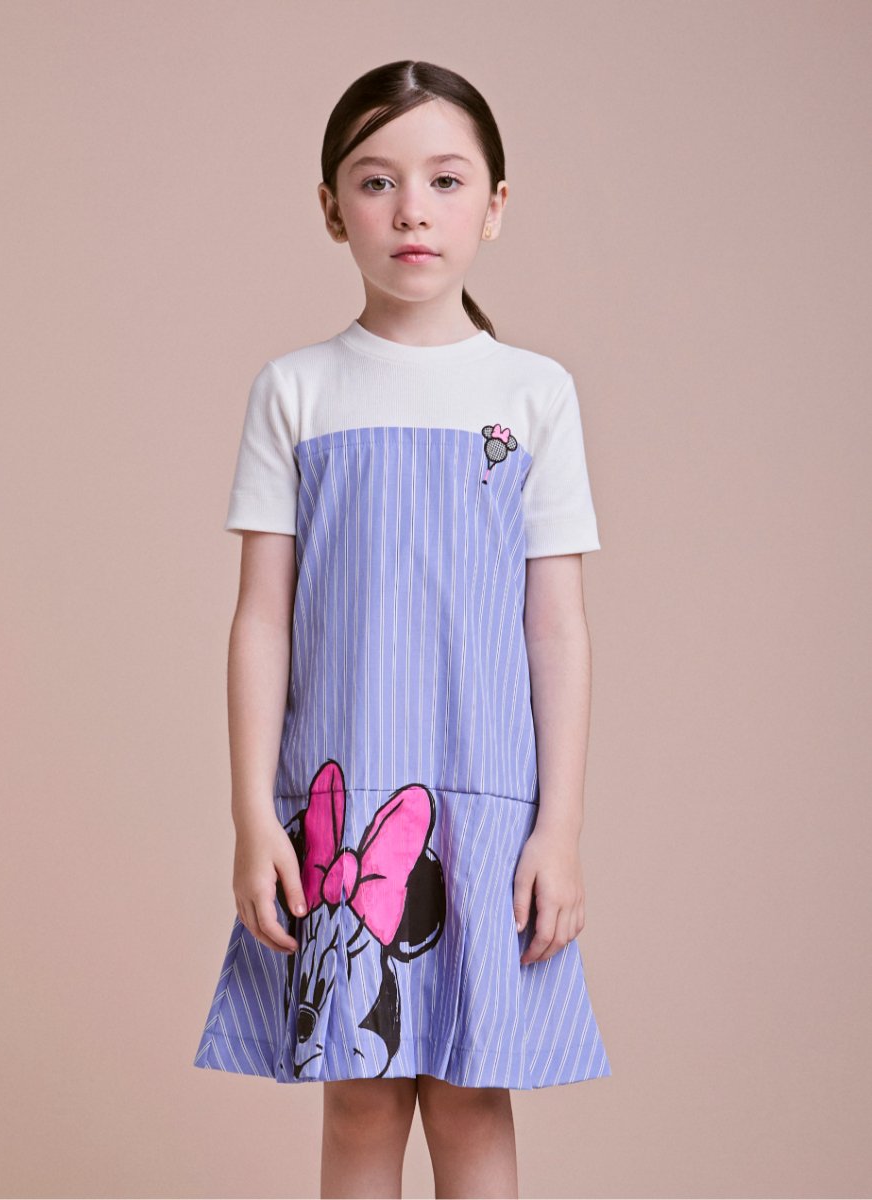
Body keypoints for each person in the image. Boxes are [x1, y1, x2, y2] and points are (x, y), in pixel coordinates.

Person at [193, 59, 611, 1200]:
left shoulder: (533, 396)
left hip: (490, 804)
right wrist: (251, 817)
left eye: (445, 180)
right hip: (341, 805)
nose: (412, 210)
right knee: (361, 1093)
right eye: (376, 182)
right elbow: (260, 618)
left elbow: (557, 629)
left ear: (495, 205)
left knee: (473, 1098)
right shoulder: (296, 391)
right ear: (334, 209)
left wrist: (560, 827)